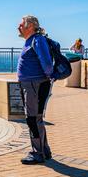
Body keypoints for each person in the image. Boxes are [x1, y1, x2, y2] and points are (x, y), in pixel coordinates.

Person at [17, 15, 54, 165]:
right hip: (32, 84)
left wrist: (46, 78)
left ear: (30, 26)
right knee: (36, 118)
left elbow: (46, 63)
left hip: (35, 85)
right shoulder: (32, 40)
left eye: (21, 24)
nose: (18, 27)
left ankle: (38, 153)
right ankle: (44, 150)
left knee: (32, 119)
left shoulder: (37, 40)